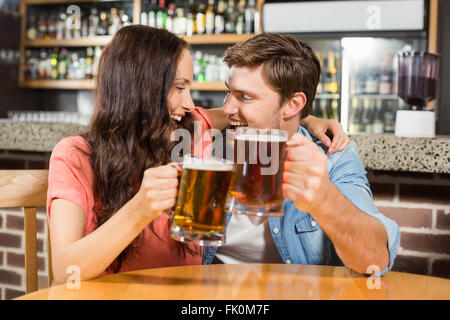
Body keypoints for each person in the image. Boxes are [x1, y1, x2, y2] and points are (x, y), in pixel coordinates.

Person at [47, 25, 349, 284]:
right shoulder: (76, 155)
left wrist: (306, 118)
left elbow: (253, 113)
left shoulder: (188, 130)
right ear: (140, 89)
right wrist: (140, 209)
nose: (190, 103)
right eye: (179, 88)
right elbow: (64, 271)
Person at [204, 33, 400, 277]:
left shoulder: (332, 156)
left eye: (245, 97)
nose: (227, 108)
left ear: (293, 104)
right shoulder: (207, 146)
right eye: (229, 92)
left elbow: (375, 259)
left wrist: (323, 198)